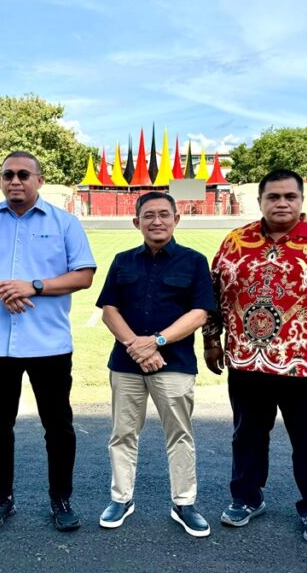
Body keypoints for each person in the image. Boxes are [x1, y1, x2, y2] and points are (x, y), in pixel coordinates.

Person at [203, 169, 307, 544]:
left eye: (289, 197)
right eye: (274, 197)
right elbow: (213, 296)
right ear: (260, 200)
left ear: (301, 200)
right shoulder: (235, 242)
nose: (282, 203)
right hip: (247, 361)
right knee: (247, 436)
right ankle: (246, 498)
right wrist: (212, 340)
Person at [0, 151, 95, 532]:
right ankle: (2, 497)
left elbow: (83, 275)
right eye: (8, 175)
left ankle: (61, 498)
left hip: (49, 344)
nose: (15, 181)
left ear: (39, 180)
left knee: (58, 426)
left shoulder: (64, 223)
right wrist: (2, 287)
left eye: (23, 175)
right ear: (0, 180)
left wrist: (35, 286)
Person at [95, 192, 215, 537]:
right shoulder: (122, 261)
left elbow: (199, 313)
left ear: (177, 219)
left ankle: (184, 503)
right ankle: (121, 498)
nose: (157, 221)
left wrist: (157, 341)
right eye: (148, 215)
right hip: (126, 363)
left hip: (175, 363)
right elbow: (109, 311)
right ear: (137, 222)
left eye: (164, 214)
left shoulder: (193, 261)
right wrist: (137, 346)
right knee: (122, 434)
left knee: (179, 434)